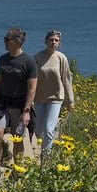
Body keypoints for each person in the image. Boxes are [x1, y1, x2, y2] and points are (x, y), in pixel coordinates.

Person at [0, 27, 37, 185]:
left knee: (17, 139)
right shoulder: (3, 59)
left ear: (16, 42)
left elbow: (32, 88)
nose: (4, 42)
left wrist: (27, 111)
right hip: (2, 104)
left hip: (20, 106)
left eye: (7, 40)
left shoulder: (29, 62)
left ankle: (18, 170)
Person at [32, 29, 75, 163]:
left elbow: (66, 79)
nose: (53, 42)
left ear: (59, 43)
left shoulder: (61, 58)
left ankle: (45, 160)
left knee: (48, 129)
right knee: (39, 131)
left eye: (56, 40)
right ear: (46, 41)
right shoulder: (37, 57)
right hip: (39, 97)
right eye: (51, 40)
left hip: (56, 97)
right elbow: (32, 78)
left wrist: (70, 100)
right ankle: (50, 139)